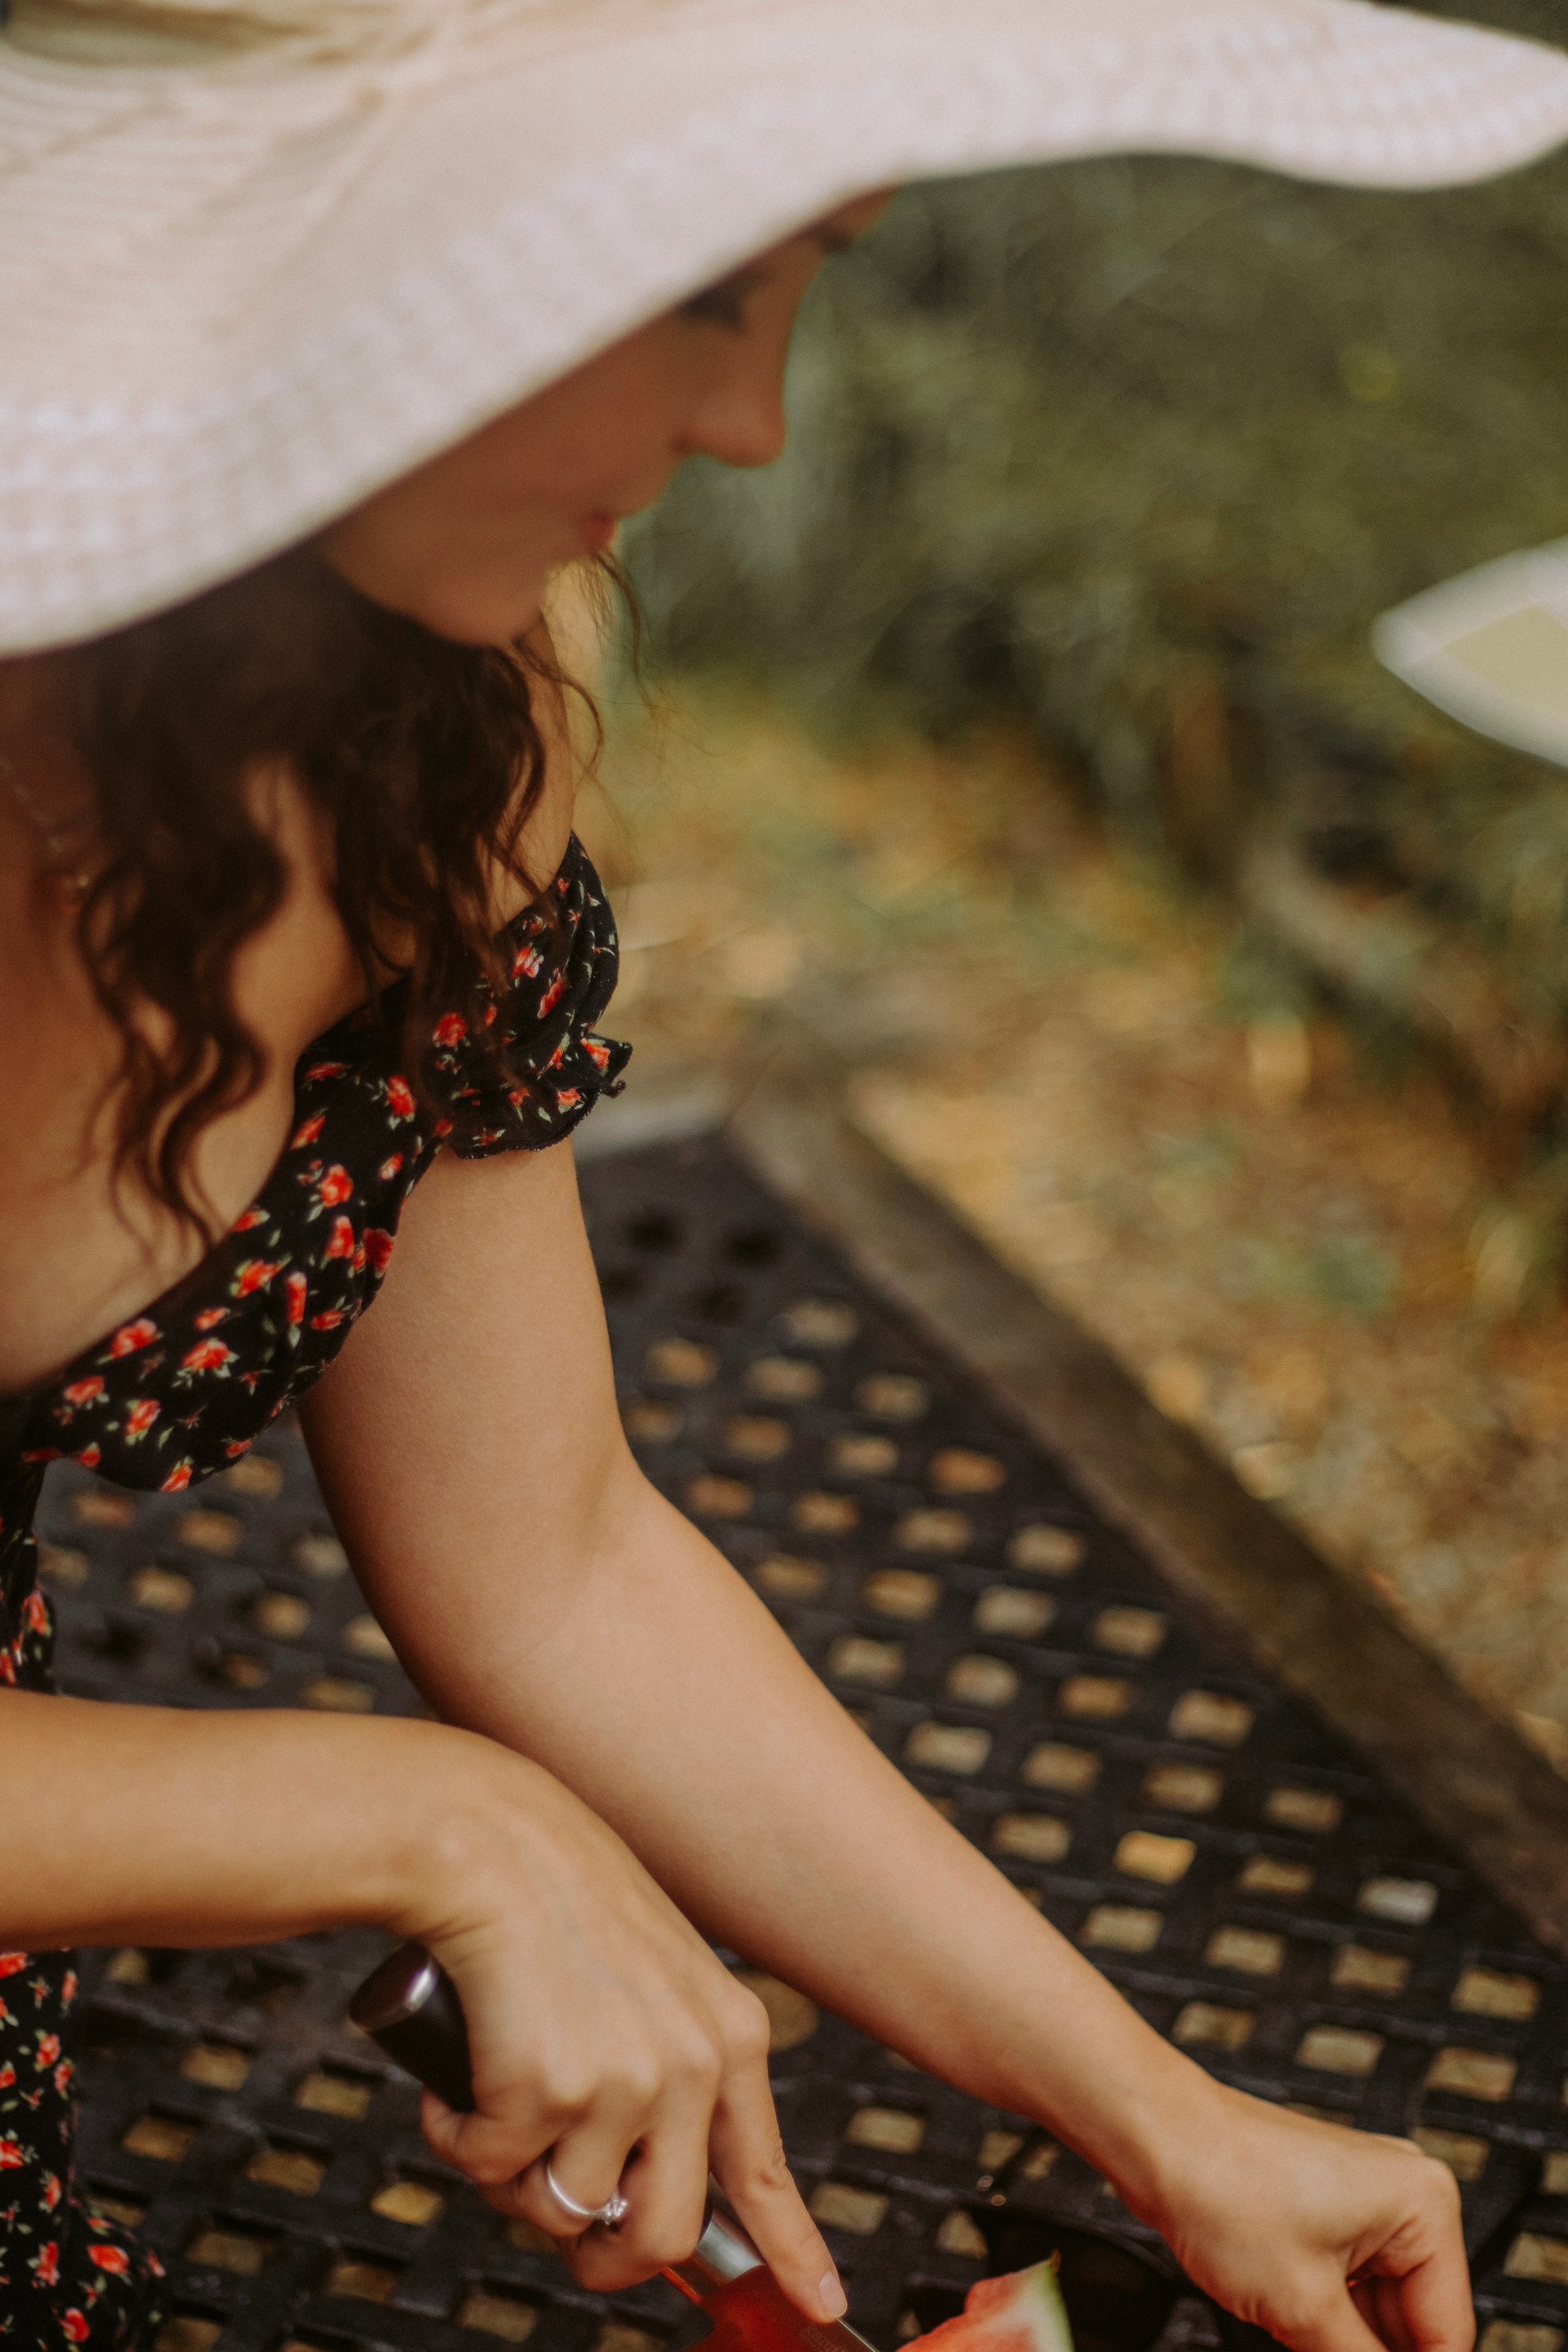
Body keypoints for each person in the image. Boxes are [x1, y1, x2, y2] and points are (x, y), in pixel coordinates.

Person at [4, 0, 1567, 2344]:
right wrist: (445, 1829)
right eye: (698, 294)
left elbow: (552, 1556)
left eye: (801, 275)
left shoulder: (448, 707)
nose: (751, 421)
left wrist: (1151, 2114)